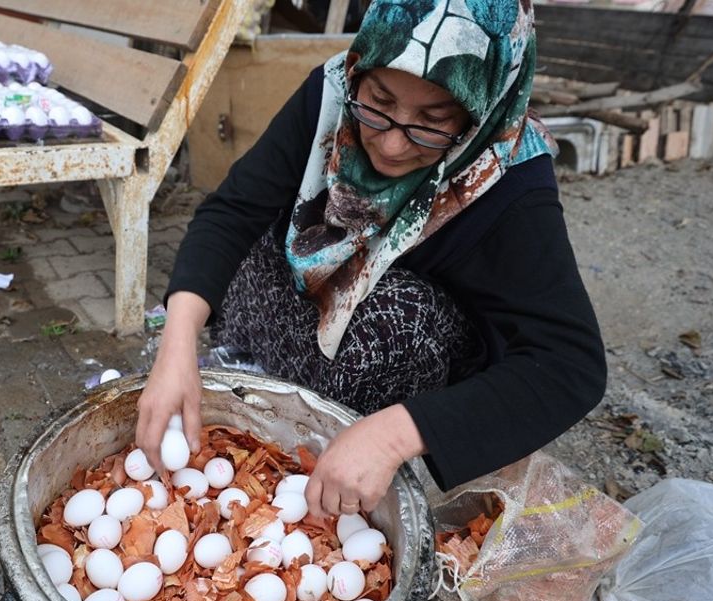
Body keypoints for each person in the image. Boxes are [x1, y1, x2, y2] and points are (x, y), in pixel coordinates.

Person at [136, 0, 606, 519]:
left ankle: (357, 443)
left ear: (480, 112)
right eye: (378, 102)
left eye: (433, 123)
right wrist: (176, 342)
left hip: (393, 364)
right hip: (302, 318)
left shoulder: (508, 178)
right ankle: (275, 385)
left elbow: (569, 366)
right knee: (253, 249)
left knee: (396, 319)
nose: (391, 145)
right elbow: (234, 210)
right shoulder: (332, 94)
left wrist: (395, 435)